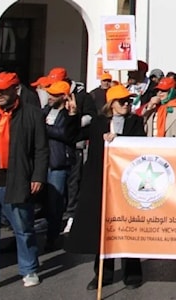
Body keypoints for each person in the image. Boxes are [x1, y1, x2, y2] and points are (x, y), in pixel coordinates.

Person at [65, 84, 145, 290]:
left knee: (127, 227)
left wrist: (120, 141)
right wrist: (73, 115)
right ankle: (103, 274)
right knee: (103, 229)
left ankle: (132, 274)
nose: (127, 104)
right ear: (111, 104)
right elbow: (72, 136)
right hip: (101, 182)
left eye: (129, 101)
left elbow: (141, 145)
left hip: (126, 183)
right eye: (122, 101)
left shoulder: (135, 122)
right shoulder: (98, 123)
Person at [0, 72, 48, 292]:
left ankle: (29, 269)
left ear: (15, 90)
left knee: (23, 229)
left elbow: (40, 149)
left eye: (2, 91)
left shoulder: (32, 115)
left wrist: (37, 176)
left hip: (15, 181)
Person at [41, 80, 81, 251]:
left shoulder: (69, 115)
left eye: (55, 95)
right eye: (50, 94)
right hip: (44, 160)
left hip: (58, 162)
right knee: (45, 201)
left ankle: (52, 236)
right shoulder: (46, 111)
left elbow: (67, 134)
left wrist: (45, 129)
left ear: (64, 96)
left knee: (55, 201)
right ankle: (50, 230)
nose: (50, 97)